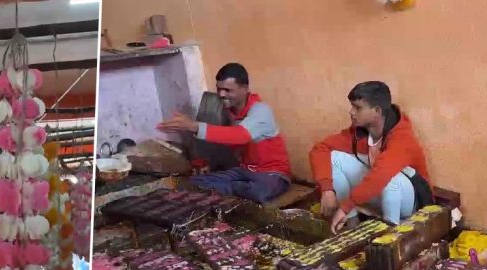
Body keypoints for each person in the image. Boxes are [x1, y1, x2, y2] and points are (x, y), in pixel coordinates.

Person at [156, 62, 292, 203]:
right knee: (194, 182)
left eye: (228, 90)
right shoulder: (229, 111)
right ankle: (233, 188)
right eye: (219, 89)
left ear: (244, 89)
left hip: (272, 173)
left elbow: (241, 136)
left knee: (258, 192)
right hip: (244, 172)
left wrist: (194, 126)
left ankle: (229, 189)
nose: (221, 94)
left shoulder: (261, 111)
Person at [309, 81, 432, 233]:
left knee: (390, 179)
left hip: (408, 202)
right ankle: (352, 226)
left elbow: (381, 176)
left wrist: (346, 206)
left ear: (377, 111)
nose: (351, 112)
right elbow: (320, 149)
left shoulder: (402, 138)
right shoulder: (360, 132)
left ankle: (390, 237)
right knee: (333, 158)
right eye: (352, 106)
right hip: (377, 194)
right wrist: (327, 190)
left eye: (358, 108)